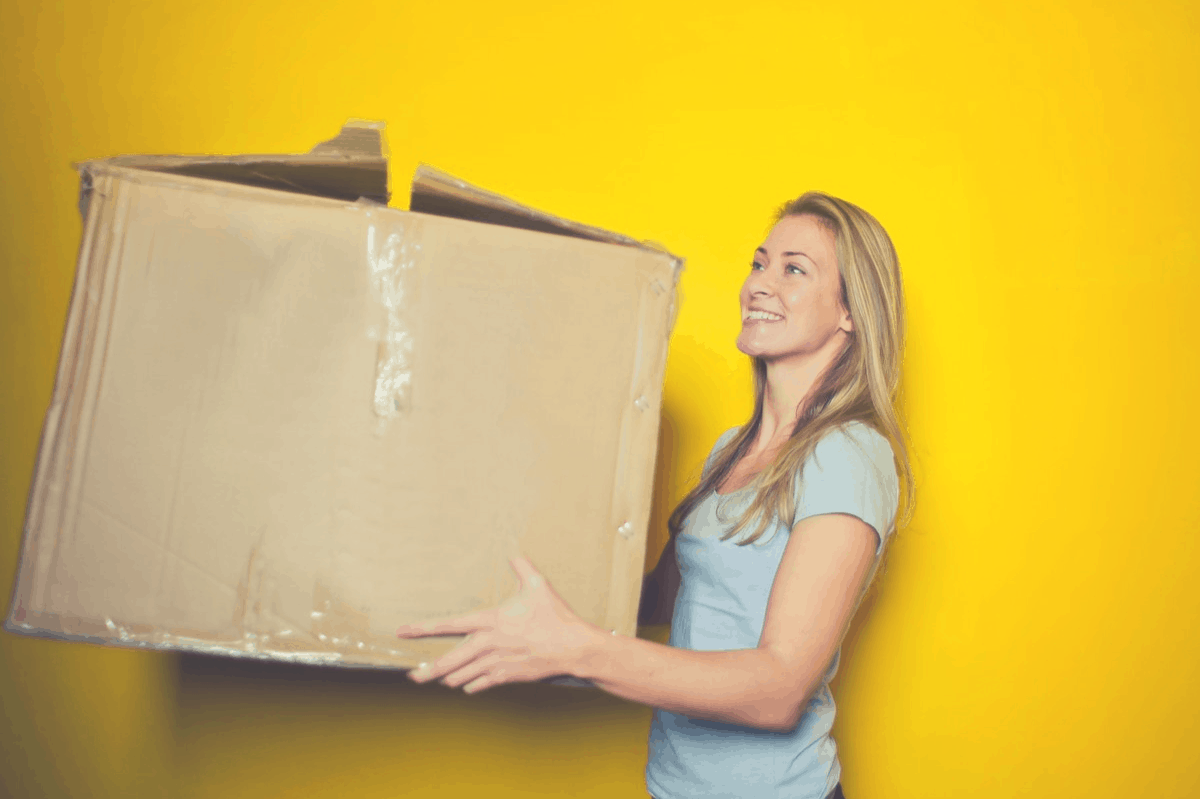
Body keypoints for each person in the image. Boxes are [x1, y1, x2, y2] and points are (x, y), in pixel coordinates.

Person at [396, 191, 913, 799]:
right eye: (758, 263)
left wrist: (578, 651)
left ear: (851, 311)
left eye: (794, 269)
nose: (759, 285)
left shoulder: (848, 454)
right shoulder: (731, 450)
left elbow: (779, 689)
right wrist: (496, 572)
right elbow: (668, 596)